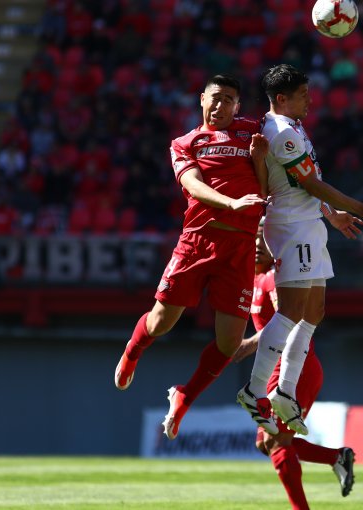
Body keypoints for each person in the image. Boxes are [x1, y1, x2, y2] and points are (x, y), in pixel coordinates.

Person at [236, 64, 363, 436]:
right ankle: (256, 390)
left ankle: (285, 393)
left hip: (309, 224)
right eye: (303, 94)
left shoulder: (293, 127)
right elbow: (309, 184)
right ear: (281, 99)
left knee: (314, 311)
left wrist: (332, 216)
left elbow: (307, 184)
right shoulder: (280, 133)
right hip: (293, 228)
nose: (310, 100)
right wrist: (361, 209)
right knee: (290, 312)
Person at [113, 74, 269, 441]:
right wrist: (231, 203)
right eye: (215, 97)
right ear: (202, 100)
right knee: (162, 322)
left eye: (229, 99)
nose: (221, 105)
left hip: (242, 247)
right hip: (198, 240)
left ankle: (184, 396)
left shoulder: (253, 132)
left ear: (238, 105)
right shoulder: (185, 143)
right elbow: (193, 186)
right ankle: (134, 349)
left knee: (231, 344)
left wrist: (261, 161)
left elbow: (266, 189)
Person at [233, 219, 355, 509]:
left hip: (293, 370)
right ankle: (336, 458)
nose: (259, 247)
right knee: (264, 443)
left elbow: (291, 317)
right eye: (255, 241)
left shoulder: (276, 277)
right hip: (280, 369)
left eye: (264, 241)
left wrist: (250, 343)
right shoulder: (253, 279)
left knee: (276, 443)